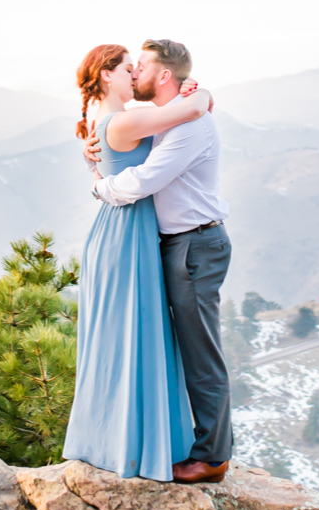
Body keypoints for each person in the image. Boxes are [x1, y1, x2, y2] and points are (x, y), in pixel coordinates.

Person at [87, 38, 234, 484]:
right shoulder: (165, 119)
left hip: (195, 245)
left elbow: (142, 181)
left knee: (200, 352)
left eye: (141, 67)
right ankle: (175, 441)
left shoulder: (189, 127)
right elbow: (122, 139)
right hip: (175, 244)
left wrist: (97, 184)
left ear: (163, 75)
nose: (134, 74)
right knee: (175, 347)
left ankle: (213, 457)